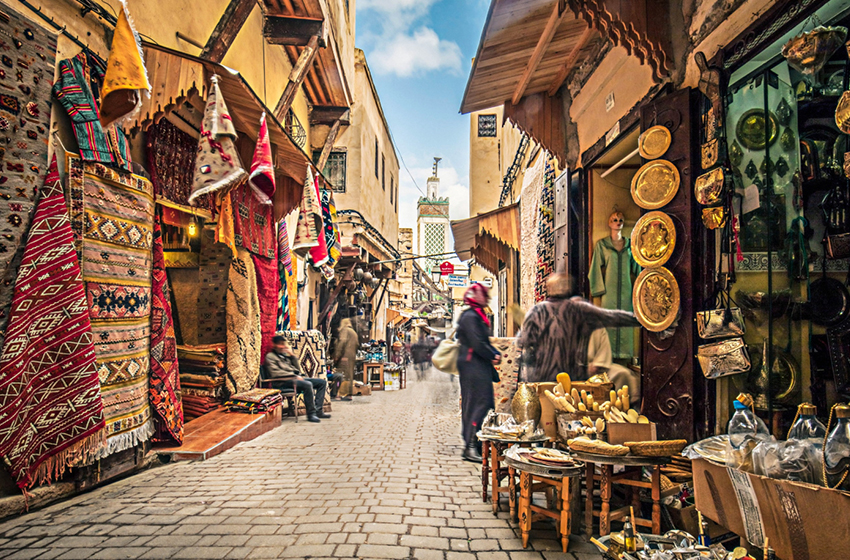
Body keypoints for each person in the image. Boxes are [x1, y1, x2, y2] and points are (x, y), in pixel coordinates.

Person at [519, 273, 640, 383]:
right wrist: (639, 319)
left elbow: (522, 342)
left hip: (542, 377)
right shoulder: (578, 309)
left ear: (548, 289)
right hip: (571, 378)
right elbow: (611, 317)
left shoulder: (536, 312)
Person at [456, 283, 501, 463]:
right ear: (476, 296)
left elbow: (482, 340)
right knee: (478, 402)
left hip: (476, 364)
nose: (487, 298)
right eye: (484, 294)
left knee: (482, 402)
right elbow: (477, 341)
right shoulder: (471, 316)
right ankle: (471, 445)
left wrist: (493, 353)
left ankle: (474, 442)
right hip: (472, 365)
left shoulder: (476, 315)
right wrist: (492, 354)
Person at [264, 336, 331, 423]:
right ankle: (311, 414)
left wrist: (292, 357)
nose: (282, 346)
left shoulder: (284, 356)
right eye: (280, 344)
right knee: (307, 385)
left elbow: (297, 369)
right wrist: (294, 376)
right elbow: (275, 374)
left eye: (283, 344)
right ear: (274, 345)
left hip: (294, 379)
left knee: (322, 383)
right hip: (282, 382)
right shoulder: (270, 357)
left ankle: (318, 411)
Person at [333, 317, 359, 400]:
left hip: (344, 356)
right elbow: (357, 344)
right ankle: (349, 394)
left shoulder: (345, 330)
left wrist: (337, 355)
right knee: (349, 375)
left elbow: (341, 342)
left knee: (341, 375)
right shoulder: (353, 332)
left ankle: (339, 394)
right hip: (351, 356)